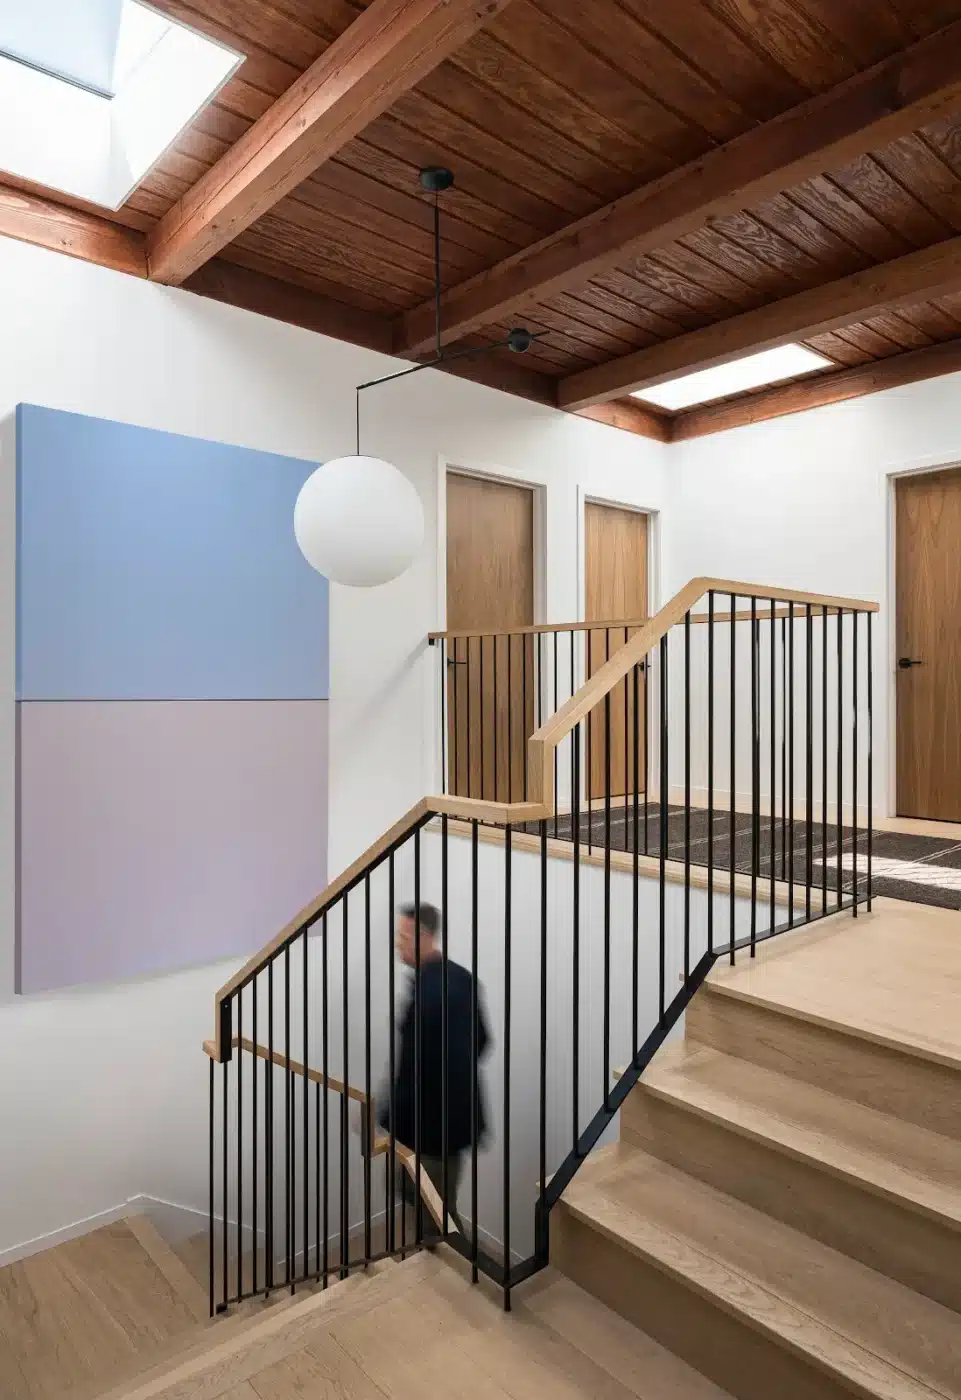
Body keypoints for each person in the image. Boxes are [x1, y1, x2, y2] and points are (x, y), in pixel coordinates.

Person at [379, 901, 489, 1240]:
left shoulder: (437, 993)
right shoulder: (456, 978)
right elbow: (482, 1040)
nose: (397, 943)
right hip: (432, 1127)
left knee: (437, 1218)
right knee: (418, 1198)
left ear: (422, 936)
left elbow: (430, 1067)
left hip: (435, 1132)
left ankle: (457, 1265)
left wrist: (387, 1115)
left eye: (402, 936)